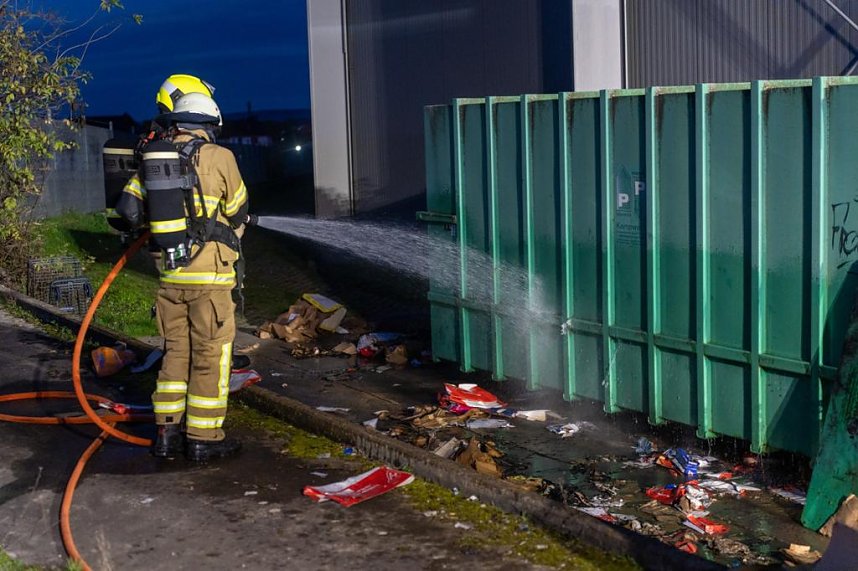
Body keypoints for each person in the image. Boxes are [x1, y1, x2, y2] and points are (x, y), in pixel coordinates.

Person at [117, 92, 249, 461]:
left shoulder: (153, 156)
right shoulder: (221, 157)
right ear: (208, 125)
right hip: (210, 279)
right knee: (211, 356)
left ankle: (166, 434)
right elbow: (239, 208)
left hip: (170, 278)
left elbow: (128, 208)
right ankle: (203, 440)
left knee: (175, 354)